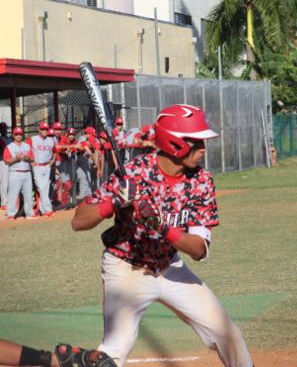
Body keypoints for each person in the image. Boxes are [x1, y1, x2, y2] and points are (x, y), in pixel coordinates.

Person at [71, 104, 253, 367]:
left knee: (229, 334)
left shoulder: (201, 181)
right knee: (114, 350)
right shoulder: (134, 173)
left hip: (170, 267)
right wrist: (113, 203)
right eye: (197, 142)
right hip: (125, 268)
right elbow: (78, 221)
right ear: (175, 142)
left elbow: (199, 249)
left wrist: (161, 227)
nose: (203, 148)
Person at [4, 127, 37, 220]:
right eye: (16, 134)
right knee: (13, 194)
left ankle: (29, 213)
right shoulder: (9, 147)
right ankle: (11, 213)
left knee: (28, 194)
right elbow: (6, 161)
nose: (18, 136)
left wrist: (28, 158)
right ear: (13, 136)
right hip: (15, 173)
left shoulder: (26, 146)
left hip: (27, 173)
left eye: (20, 134)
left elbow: (33, 158)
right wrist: (15, 158)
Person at [28, 122, 56, 218]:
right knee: (42, 188)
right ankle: (49, 209)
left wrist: (53, 160)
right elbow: (25, 148)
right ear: (39, 129)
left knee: (45, 189)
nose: (45, 131)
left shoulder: (51, 140)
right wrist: (30, 160)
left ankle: (43, 211)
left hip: (47, 166)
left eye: (46, 129)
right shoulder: (33, 139)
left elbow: (55, 151)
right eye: (43, 129)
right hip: (37, 167)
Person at [55, 128, 78, 207]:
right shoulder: (64, 140)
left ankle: (64, 202)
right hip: (58, 163)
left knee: (68, 184)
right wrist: (65, 150)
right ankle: (62, 203)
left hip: (65, 163)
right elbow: (59, 149)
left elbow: (75, 148)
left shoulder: (74, 141)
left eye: (72, 135)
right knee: (63, 184)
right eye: (70, 134)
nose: (71, 136)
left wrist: (70, 149)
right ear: (67, 134)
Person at [0, 122, 13, 210]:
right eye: (2, 128)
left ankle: (9, 201)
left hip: (10, 160)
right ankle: (4, 202)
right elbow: (4, 151)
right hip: (2, 161)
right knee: (4, 182)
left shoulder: (10, 138)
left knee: (10, 181)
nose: (3, 129)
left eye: (5, 128)